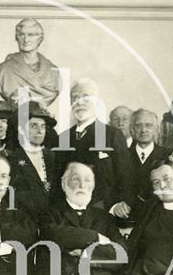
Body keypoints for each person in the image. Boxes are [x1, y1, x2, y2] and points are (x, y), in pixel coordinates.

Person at [54, 78, 136, 216]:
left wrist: (118, 204)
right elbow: (57, 179)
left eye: (85, 96)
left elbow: (126, 176)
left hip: (103, 212)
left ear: (97, 102)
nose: (79, 102)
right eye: (75, 97)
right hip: (69, 213)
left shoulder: (112, 135)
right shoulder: (62, 138)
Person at [0, 18, 60, 106]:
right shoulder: (4, 69)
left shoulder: (53, 72)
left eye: (31, 35)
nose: (26, 40)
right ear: (17, 37)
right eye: (21, 35)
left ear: (40, 38)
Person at [8, 101, 58, 219]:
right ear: (20, 129)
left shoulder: (53, 157)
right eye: (33, 126)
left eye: (43, 126)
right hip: (25, 223)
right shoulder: (11, 161)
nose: (40, 132)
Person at [129, 109, 170, 206]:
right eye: (138, 125)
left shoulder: (168, 155)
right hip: (127, 214)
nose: (143, 130)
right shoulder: (121, 156)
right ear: (132, 129)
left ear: (156, 129)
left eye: (148, 125)